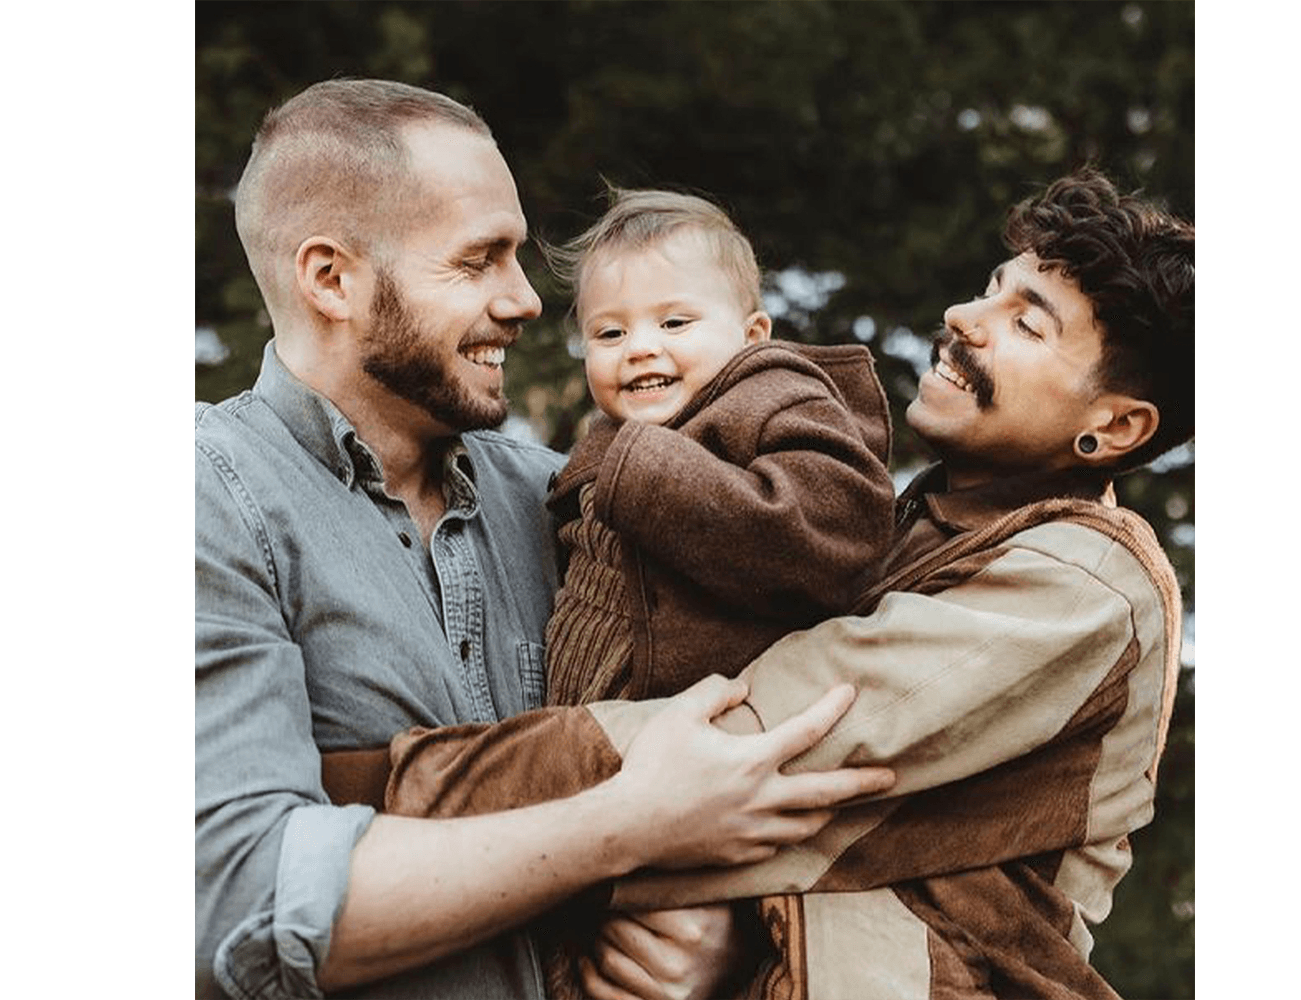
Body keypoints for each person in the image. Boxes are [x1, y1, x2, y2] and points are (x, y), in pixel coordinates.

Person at [384, 168, 1194, 999]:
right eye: (991, 289)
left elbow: (760, 744)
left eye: (1026, 323)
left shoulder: (1087, 581)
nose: (962, 320)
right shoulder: (924, 527)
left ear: (1117, 426)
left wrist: (379, 789)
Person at [194, 78, 896, 1000]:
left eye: (518, 257)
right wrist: (634, 824)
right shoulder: (206, 496)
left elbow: (742, 734)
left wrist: (725, 939)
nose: (527, 301)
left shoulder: (578, 496)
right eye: (479, 260)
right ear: (332, 280)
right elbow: (235, 900)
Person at [541, 187, 896, 707]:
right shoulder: (605, 437)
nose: (640, 348)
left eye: (674, 323)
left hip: (710, 722)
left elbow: (836, 531)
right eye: (610, 333)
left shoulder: (776, 398)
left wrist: (655, 474)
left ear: (752, 335)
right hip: (585, 726)